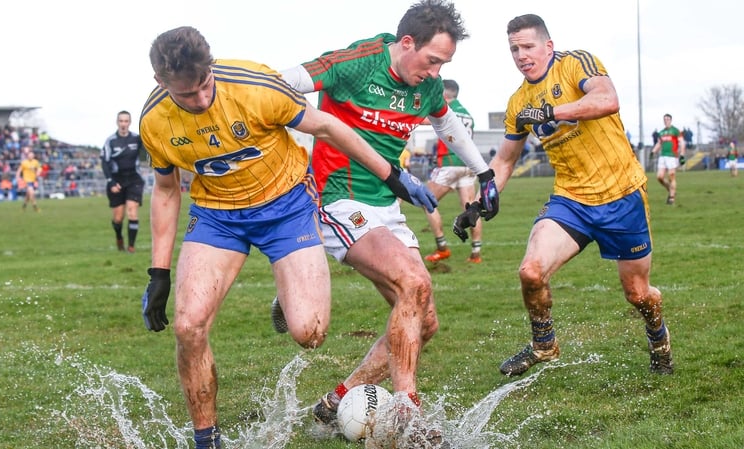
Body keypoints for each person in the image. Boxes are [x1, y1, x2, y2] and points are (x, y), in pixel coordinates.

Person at [138, 26, 437, 449]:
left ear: (211, 67)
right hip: (217, 216)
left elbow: (329, 127)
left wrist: (392, 174)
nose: (201, 100)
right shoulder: (154, 120)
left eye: (206, 85)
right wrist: (158, 272)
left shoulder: (255, 86)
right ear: (161, 83)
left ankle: (288, 289)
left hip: (287, 207)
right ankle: (206, 438)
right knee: (188, 327)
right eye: (187, 96)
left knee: (309, 333)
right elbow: (167, 191)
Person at [276, 0, 499, 433]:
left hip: (388, 205)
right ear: (407, 43)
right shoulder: (357, 63)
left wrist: (484, 172)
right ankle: (409, 415)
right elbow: (285, 83)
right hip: (339, 198)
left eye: (445, 64)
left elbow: (448, 126)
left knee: (424, 320)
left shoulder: (428, 85)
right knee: (414, 284)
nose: (436, 72)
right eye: (433, 60)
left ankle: (335, 402)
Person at [465, 13, 672, 377]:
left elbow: (607, 99)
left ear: (548, 46)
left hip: (622, 195)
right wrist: (480, 201)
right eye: (514, 49)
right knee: (531, 271)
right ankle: (544, 345)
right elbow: (506, 159)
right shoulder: (518, 103)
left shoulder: (577, 62)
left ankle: (658, 338)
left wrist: (551, 110)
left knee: (638, 295)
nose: (520, 55)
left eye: (527, 46)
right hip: (571, 200)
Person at [423, 79, 484, 264]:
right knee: (470, 208)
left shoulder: (446, 110)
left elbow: (421, 119)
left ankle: (442, 248)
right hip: (468, 165)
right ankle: (476, 253)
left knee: (427, 202)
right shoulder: (467, 114)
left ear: (444, 94)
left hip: (449, 163)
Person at [101, 110, 146, 253]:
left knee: (132, 212)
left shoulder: (137, 139)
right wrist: (111, 182)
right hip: (117, 180)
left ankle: (131, 247)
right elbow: (104, 162)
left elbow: (147, 153)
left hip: (134, 179)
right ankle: (119, 237)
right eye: (121, 121)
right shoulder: (111, 141)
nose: (123, 124)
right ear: (117, 122)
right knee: (118, 217)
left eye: (126, 121)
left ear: (130, 123)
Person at [650, 113, 686, 205]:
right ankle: (671, 190)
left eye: (667, 119)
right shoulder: (661, 132)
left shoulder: (675, 131)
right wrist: (653, 151)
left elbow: (682, 143)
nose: (666, 121)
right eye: (664, 119)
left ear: (671, 120)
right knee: (660, 177)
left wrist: (682, 155)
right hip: (663, 157)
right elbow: (659, 144)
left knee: (671, 176)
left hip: (672, 156)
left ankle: (672, 198)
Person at [15, 147, 41, 211]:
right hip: (26, 180)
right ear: (27, 156)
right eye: (30, 155)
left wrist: (38, 172)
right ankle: (35, 207)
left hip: (33, 180)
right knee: (32, 193)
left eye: (32, 155)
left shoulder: (36, 162)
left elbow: (39, 168)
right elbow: (19, 170)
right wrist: (17, 177)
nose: (31, 156)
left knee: (28, 195)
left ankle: (24, 206)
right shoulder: (24, 163)